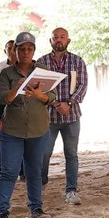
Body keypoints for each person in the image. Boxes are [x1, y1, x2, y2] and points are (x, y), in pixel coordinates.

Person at [0, 32, 54, 218]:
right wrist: (16, 89)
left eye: (29, 48)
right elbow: (3, 98)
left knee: (34, 171)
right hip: (13, 131)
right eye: (21, 49)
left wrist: (38, 95)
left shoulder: (43, 71)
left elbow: (51, 96)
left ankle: (36, 209)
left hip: (38, 130)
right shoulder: (6, 73)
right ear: (15, 51)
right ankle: (2, 214)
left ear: (34, 51)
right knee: (9, 172)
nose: (26, 52)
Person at [36, 26, 87, 204]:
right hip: (48, 117)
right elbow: (38, 88)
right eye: (55, 37)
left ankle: (71, 191)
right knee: (44, 153)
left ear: (68, 40)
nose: (59, 39)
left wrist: (69, 103)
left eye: (62, 37)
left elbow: (83, 85)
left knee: (71, 154)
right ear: (50, 40)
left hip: (72, 117)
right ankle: (40, 185)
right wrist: (56, 104)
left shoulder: (77, 61)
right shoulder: (41, 62)